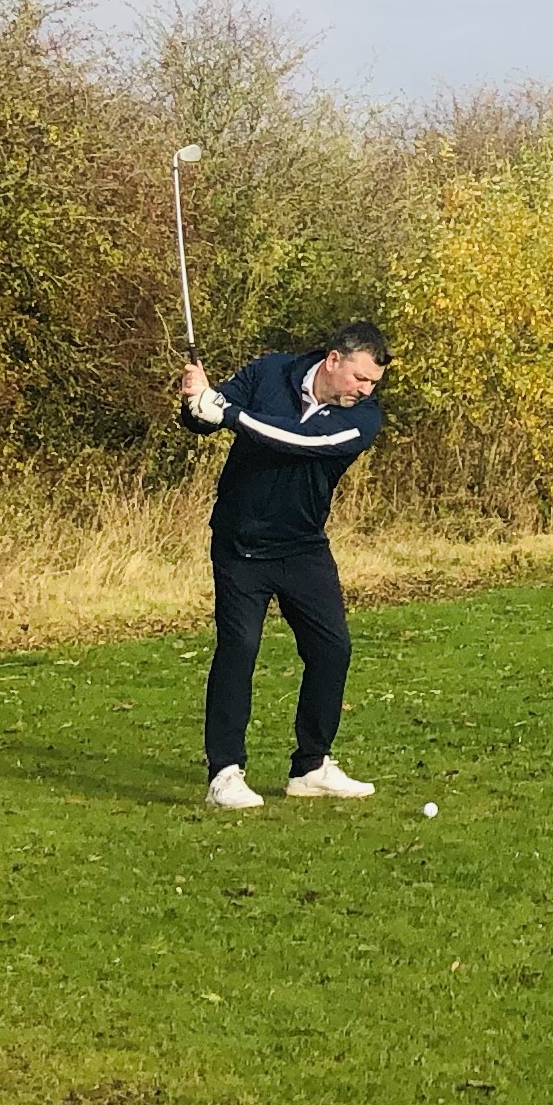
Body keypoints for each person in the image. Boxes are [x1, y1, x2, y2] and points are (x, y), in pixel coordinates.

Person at [179, 325, 388, 810]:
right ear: (333, 360)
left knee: (332, 649)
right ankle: (225, 773)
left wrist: (228, 413)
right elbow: (206, 420)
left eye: (373, 383)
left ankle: (311, 766)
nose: (366, 390)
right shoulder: (270, 371)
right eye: (360, 378)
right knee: (239, 648)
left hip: (302, 546)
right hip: (240, 544)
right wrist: (196, 401)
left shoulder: (363, 419)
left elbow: (296, 441)